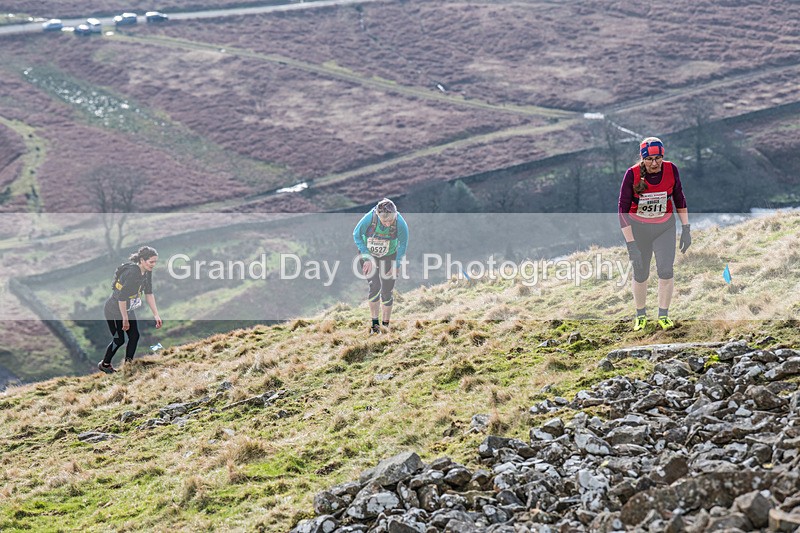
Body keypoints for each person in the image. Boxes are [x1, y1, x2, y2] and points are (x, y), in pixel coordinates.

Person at [618, 137, 691, 331]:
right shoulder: (631, 175)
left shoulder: (671, 169)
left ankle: (663, 315)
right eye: (649, 159)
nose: (654, 163)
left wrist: (686, 229)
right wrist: (631, 244)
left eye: (658, 158)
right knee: (641, 273)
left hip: (664, 227)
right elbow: (622, 210)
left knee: (666, 271)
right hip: (638, 230)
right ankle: (640, 315)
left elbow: (679, 198)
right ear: (642, 159)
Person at [98, 246, 162, 373]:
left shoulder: (147, 272)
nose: (153, 265)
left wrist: (156, 315)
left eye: (155, 262)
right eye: (151, 262)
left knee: (134, 336)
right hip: (114, 310)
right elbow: (122, 297)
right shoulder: (132, 274)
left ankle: (128, 365)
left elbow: (149, 293)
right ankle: (105, 364)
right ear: (142, 260)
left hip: (127, 308)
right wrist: (125, 319)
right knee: (119, 339)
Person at [353, 198, 409, 334]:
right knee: (375, 287)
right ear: (378, 215)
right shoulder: (369, 219)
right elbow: (356, 234)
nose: (389, 224)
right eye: (385, 221)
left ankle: (386, 325)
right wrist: (366, 257)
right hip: (368, 256)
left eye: (391, 220)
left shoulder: (400, 224)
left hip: (389, 256)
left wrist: (396, 264)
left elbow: (403, 245)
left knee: (387, 291)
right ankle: (374, 325)